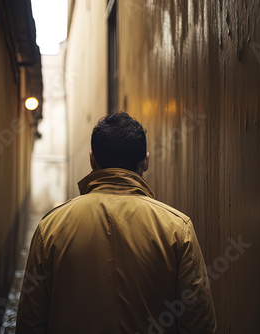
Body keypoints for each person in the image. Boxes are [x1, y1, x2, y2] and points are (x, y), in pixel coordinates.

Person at [16, 112, 216, 333]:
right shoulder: (178, 229)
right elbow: (198, 324)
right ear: (146, 161)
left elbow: (30, 322)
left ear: (93, 159)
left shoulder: (51, 228)